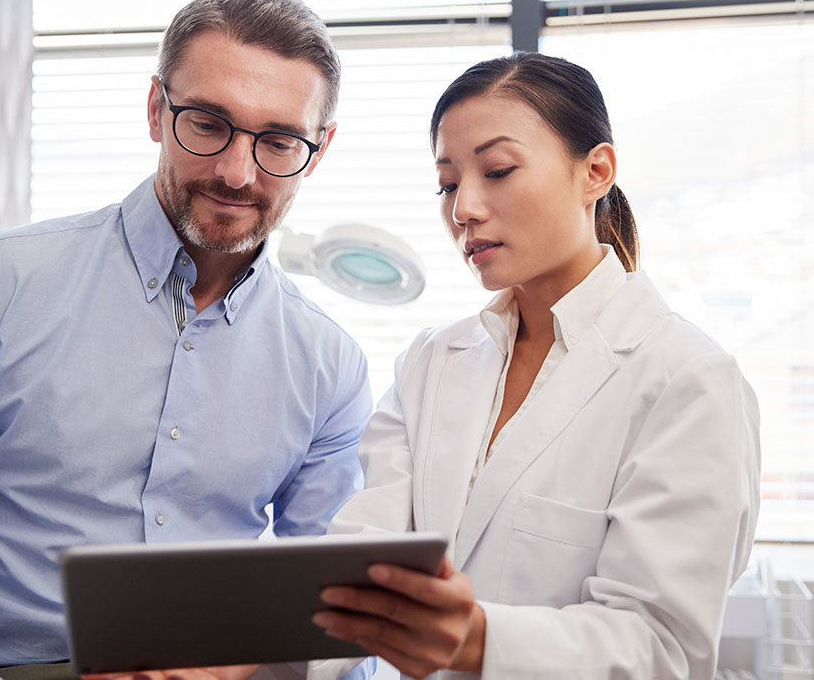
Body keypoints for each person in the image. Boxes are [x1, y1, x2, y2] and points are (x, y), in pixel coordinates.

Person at [0, 0, 374, 680]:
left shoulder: (330, 364)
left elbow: (342, 624)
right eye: (209, 123)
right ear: (158, 109)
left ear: (319, 148)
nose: (236, 172)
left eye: (278, 140)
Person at [309, 52, 761, 679]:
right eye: (447, 183)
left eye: (497, 170)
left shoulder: (688, 381)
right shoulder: (430, 362)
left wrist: (477, 641)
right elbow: (358, 567)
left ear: (595, 171)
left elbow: (662, 649)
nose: (462, 207)